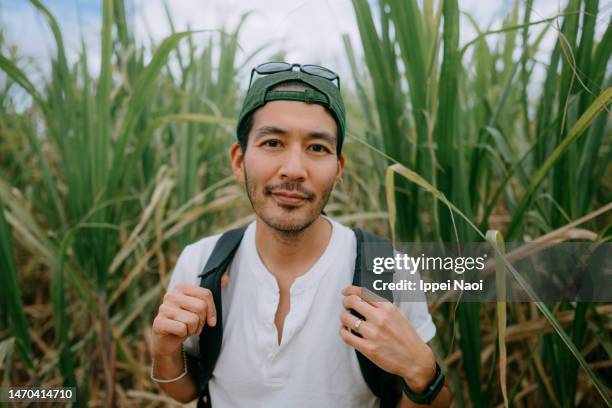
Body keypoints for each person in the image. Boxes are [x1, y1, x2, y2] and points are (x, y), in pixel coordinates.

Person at [150, 62, 452, 407]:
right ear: (239, 160)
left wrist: (422, 373)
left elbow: (440, 400)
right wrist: (164, 349)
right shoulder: (201, 263)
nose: (294, 169)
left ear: (338, 170)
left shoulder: (390, 270)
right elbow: (186, 391)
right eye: (273, 142)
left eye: (317, 148)